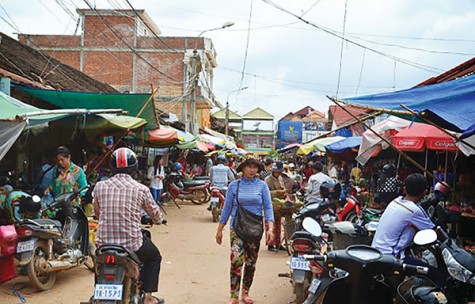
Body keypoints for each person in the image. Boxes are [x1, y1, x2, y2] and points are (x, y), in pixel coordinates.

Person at [93, 147, 165, 304]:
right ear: (134, 168)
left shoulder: (100, 187)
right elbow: (155, 213)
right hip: (131, 244)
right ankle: (148, 297)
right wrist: (159, 220)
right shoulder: (141, 189)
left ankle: (98, 292)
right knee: (154, 257)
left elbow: (96, 213)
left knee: (100, 264)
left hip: (104, 244)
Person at [216, 153, 274, 304]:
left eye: (255, 167)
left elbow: (268, 208)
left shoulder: (262, 186)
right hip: (237, 227)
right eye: (249, 166)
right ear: (243, 167)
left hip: (255, 229)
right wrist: (220, 229)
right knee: (236, 260)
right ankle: (234, 295)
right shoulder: (234, 186)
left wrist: (270, 228)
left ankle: (246, 293)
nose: (252, 170)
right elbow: (227, 208)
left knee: (250, 263)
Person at [371, 173, 445, 285]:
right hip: (393, 258)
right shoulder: (413, 211)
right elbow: (434, 232)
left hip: (376, 252)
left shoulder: (396, 201)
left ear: (405, 188)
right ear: (425, 192)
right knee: (437, 275)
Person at [45, 146, 88, 213]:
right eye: (58, 160)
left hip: (73, 206)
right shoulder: (56, 170)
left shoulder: (77, 171)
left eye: (62, 160)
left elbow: (84, 187)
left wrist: (76, 196)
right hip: (59, 206)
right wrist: (48, 189)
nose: (60, 162)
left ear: (69, 157)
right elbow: (53, 184)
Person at [265, 161, 286, 252]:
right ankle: (270, 244)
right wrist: (276, 192)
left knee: (278, 224)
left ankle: (278, 243)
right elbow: (265, 193)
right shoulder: (267, 180)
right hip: (270, 204)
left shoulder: (281, 178)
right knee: (270, 224)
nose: (279, 173)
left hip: (279, 203)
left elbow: (283, 188)